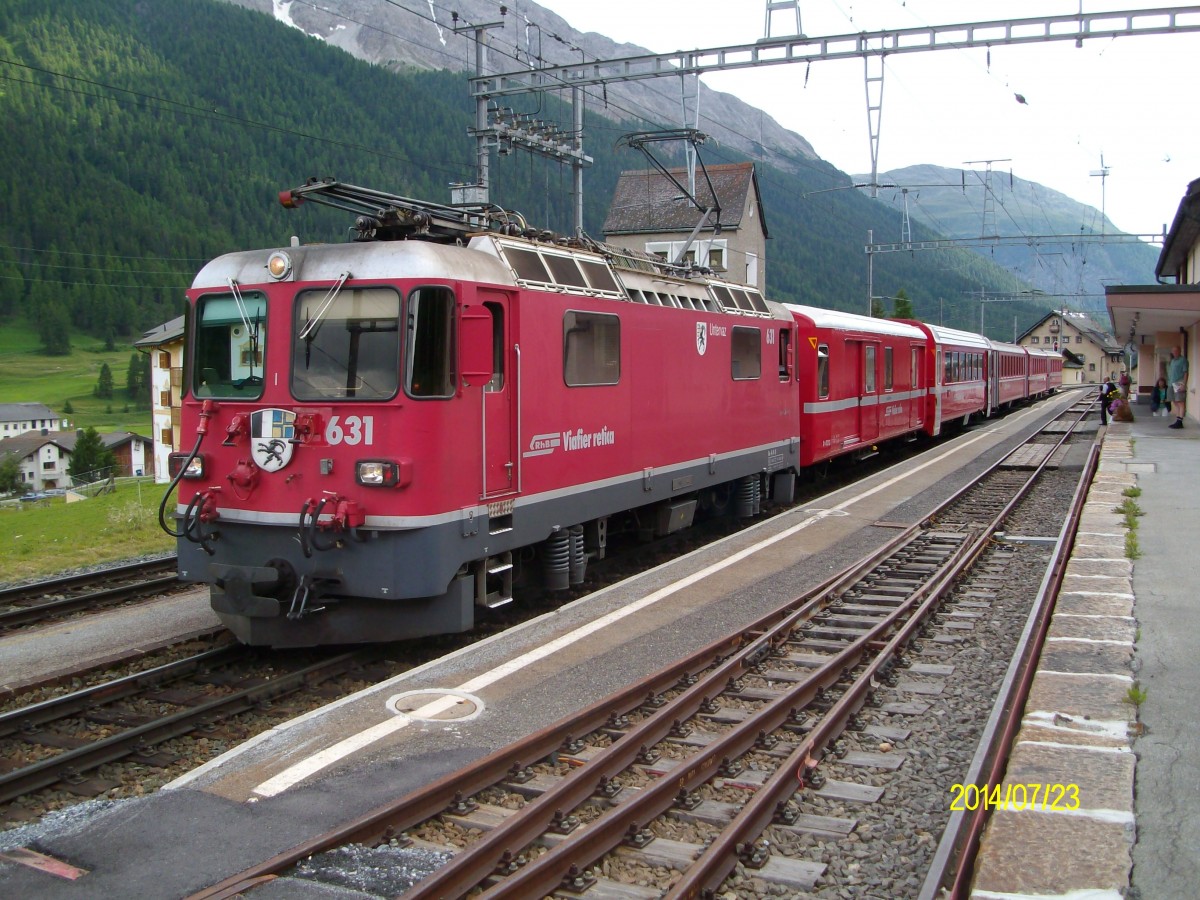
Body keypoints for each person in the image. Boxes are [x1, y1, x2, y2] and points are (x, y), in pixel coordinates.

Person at [1167, 348, 1189, 429]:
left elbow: (1186, 372)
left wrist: (1184, 384)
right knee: (1175, 402)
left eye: (1176, 351)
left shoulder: (1183, 360)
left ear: (1180, 351)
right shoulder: (1172, 361)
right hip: (1171, 384)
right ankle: (1177, 420)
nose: (1174, 352)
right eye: (1173, 351)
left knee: (1180, 402)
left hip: (1179, 383)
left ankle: (1180, 421)